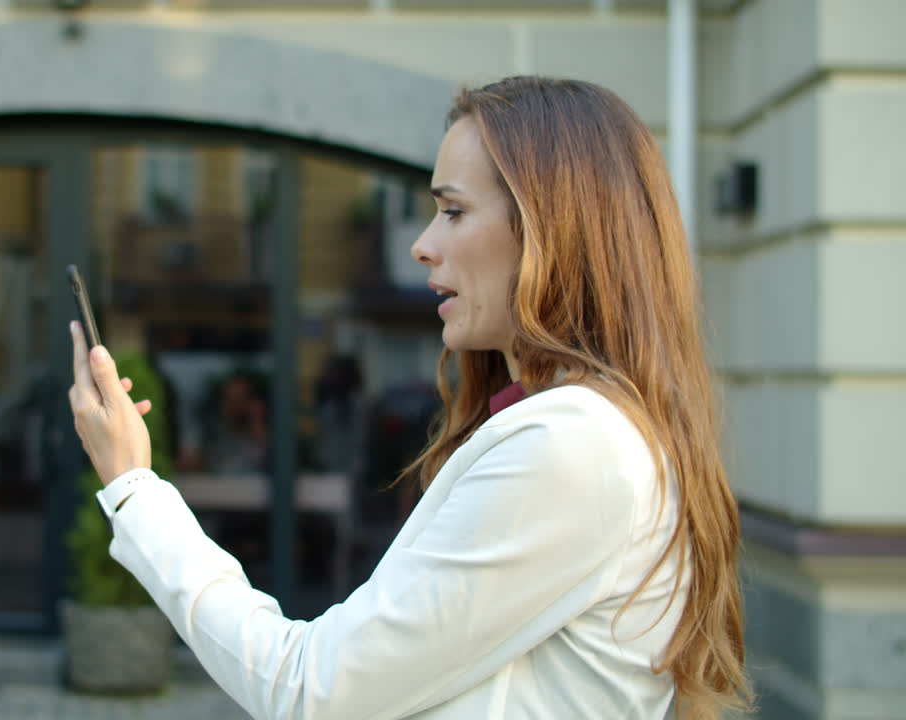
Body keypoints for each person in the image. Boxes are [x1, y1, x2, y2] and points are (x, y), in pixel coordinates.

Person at [68, 76, 752, 720]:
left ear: (553, 228)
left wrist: (133, 489)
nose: (423, 246)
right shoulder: (590, 433)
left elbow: (310, 689)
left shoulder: (573, 447)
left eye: (453, 211)